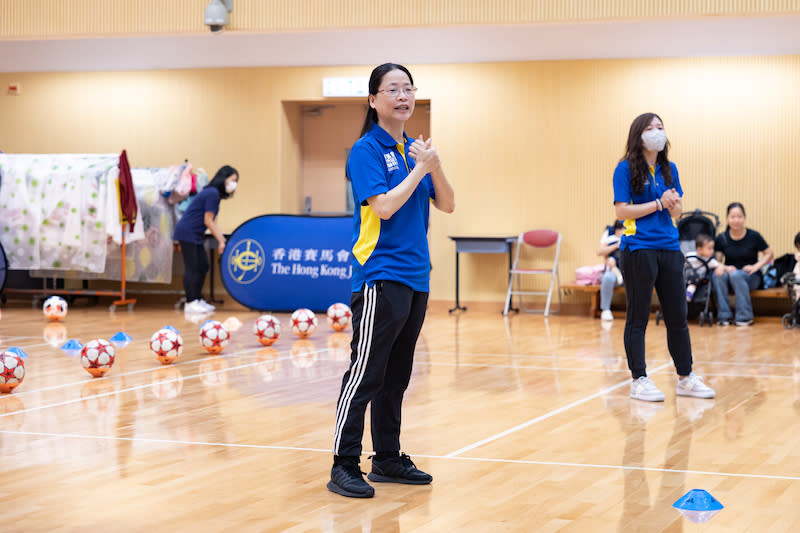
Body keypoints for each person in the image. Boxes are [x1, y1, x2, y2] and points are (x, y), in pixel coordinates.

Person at [328, 63, 455, 499]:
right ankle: (344, 463)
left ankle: (386, 457)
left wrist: (432, 165)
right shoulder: (366, 150)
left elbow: (449, 204)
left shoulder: (414, 150)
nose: (403, 96)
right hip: (380, 275)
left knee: (397, 375)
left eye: (408, 88)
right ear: (374, 100)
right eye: (393, 89)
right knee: (366, 374)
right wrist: (420, 170)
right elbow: (383, 207)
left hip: (417, 277)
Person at [613, 112, 715, 403]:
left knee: (678, 317)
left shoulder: (670, 169)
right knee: (638, 317)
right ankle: (639, 379)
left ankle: (685, 377)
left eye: (660, 127)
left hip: (670, 248)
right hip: (638, 248)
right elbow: (621, 211)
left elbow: (677, 212)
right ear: (638, 134)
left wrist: (672, 205)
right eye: (650, 127)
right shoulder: (625, 169)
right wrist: (658, 202)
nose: (657, 132)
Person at [173, 165, 239, 314]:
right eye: (232, 180)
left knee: (202, 266)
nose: (233, 184)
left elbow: (213, 221)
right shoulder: (212, 193)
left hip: (195, 234)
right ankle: (191, 302)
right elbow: (208, 220)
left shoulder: (214, 195)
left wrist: (221, 240)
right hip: (187, 232)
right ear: (223, 178)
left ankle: (198, 299)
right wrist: (221, 241)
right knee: (193, 267)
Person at [711, 202, 774, 326]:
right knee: (717, 275)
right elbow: (717, 261)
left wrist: (756, 267)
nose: (736, 220)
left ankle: (744, 317)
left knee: (737, 275)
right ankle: (724, 316)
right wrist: (724, 267)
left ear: (744, 217)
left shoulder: (754, 236)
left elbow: (769, 253)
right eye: (732, 217)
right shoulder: (722, 238)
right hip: (731, 274)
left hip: (751, 276)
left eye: (739, 217)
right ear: (727, 218)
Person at [597, 221, 625, 321]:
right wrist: (616, 246)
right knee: (607, 277)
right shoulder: (609, 235)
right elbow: (599, 251)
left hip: (630, 269)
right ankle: (605, 310)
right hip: (614, 268)